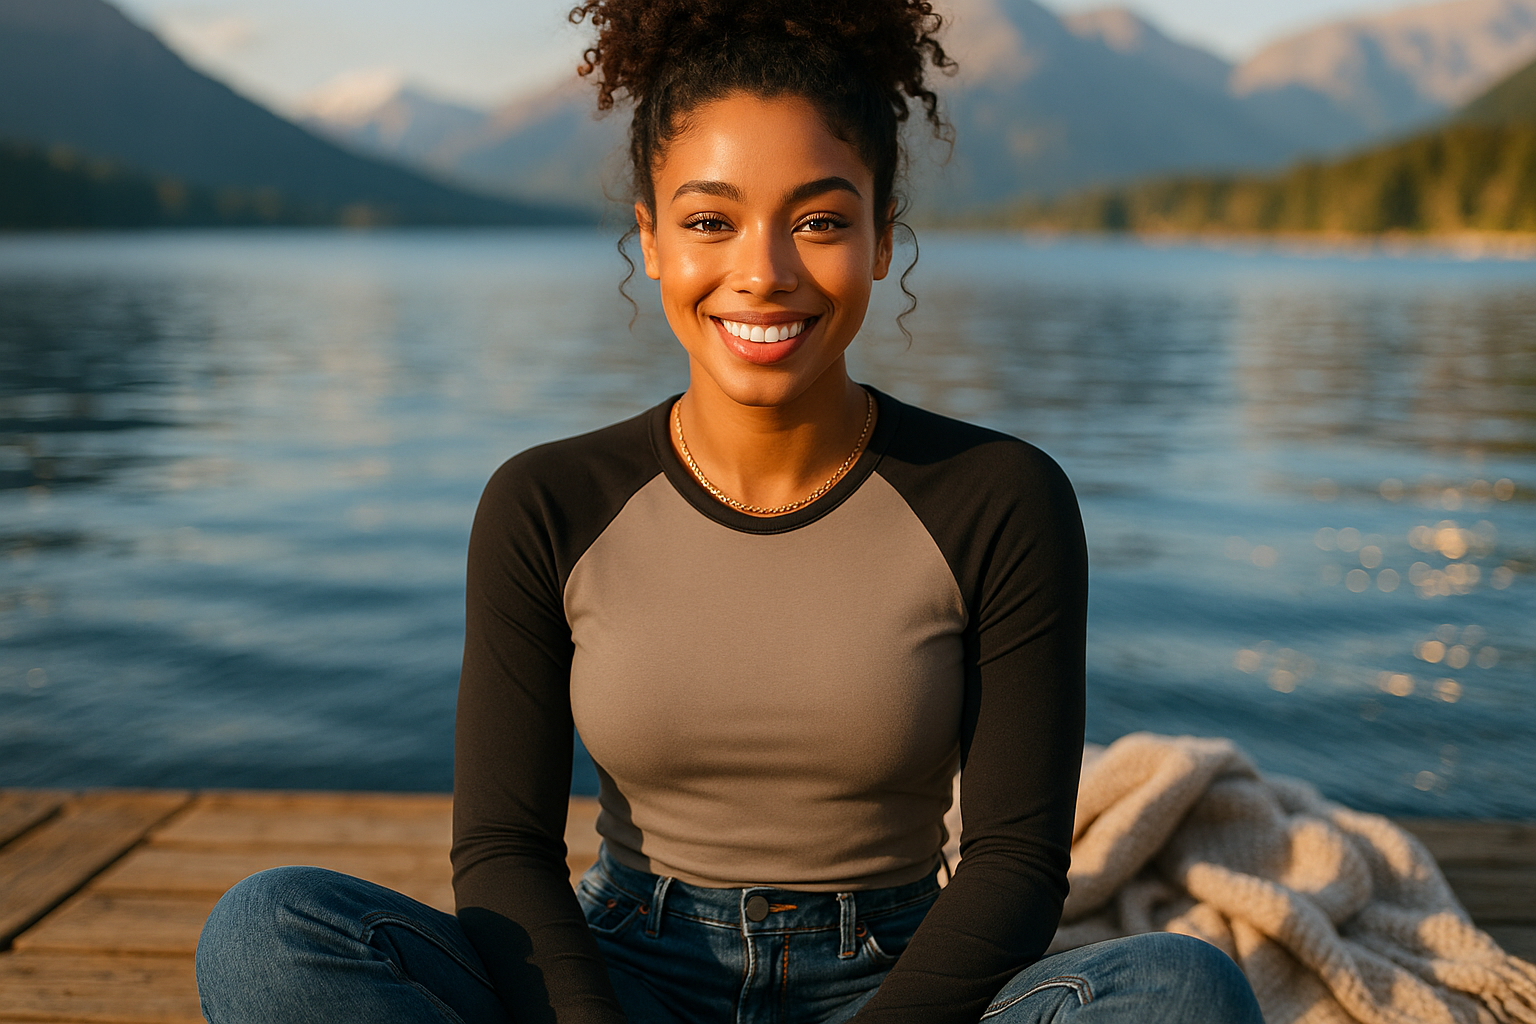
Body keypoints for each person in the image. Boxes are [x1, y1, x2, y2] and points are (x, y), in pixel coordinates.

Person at [195, 1, 1265, 1021]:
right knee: (268, 931)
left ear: (883, 240)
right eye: (711, 219)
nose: (763, 272)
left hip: (900, 981)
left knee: (1184, 988)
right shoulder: (548, 501)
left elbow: (1015, 867)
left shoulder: (999, 498)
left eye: (820, 220)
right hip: (622, 969)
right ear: (651, 238)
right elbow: (504, 856)